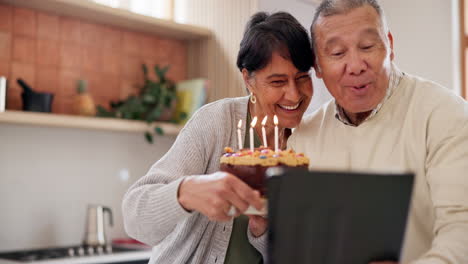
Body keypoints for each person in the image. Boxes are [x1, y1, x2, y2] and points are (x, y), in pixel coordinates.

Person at [122, 12, 314, 264]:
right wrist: (186, 193)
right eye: (278, 81)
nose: (293, 94)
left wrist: (263, 231)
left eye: (302, 78)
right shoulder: (216, 121)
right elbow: (135, 218)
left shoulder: (310, 142)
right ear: (248, 79)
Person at [288, 0, 468, 263]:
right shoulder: (303, 139)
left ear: (390, 45)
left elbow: (461, 230)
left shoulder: (444, 114)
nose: (356, 65)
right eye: (337, 53)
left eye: (367, 46)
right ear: (317, 66)